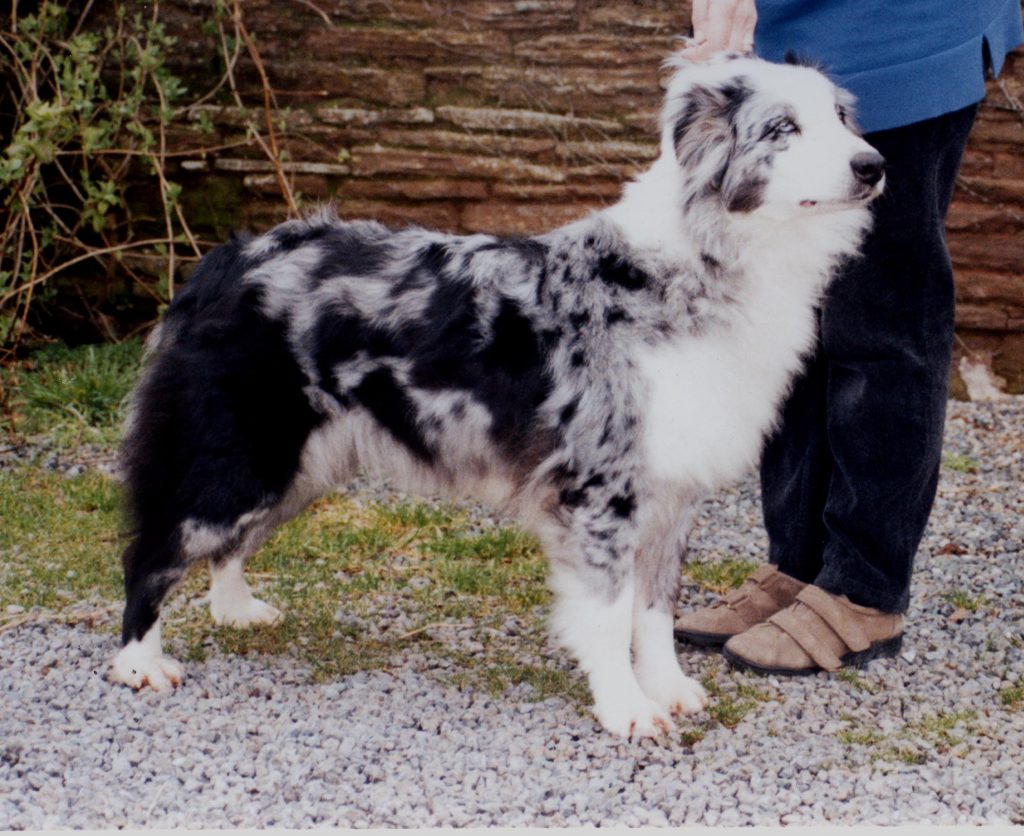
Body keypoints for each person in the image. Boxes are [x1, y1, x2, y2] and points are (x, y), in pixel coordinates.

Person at [673, 0, 1024, 675]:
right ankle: (800, 565)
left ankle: (864, 590)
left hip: (897, 29)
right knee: (795, 320)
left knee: (882, 319)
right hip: (783, 39)